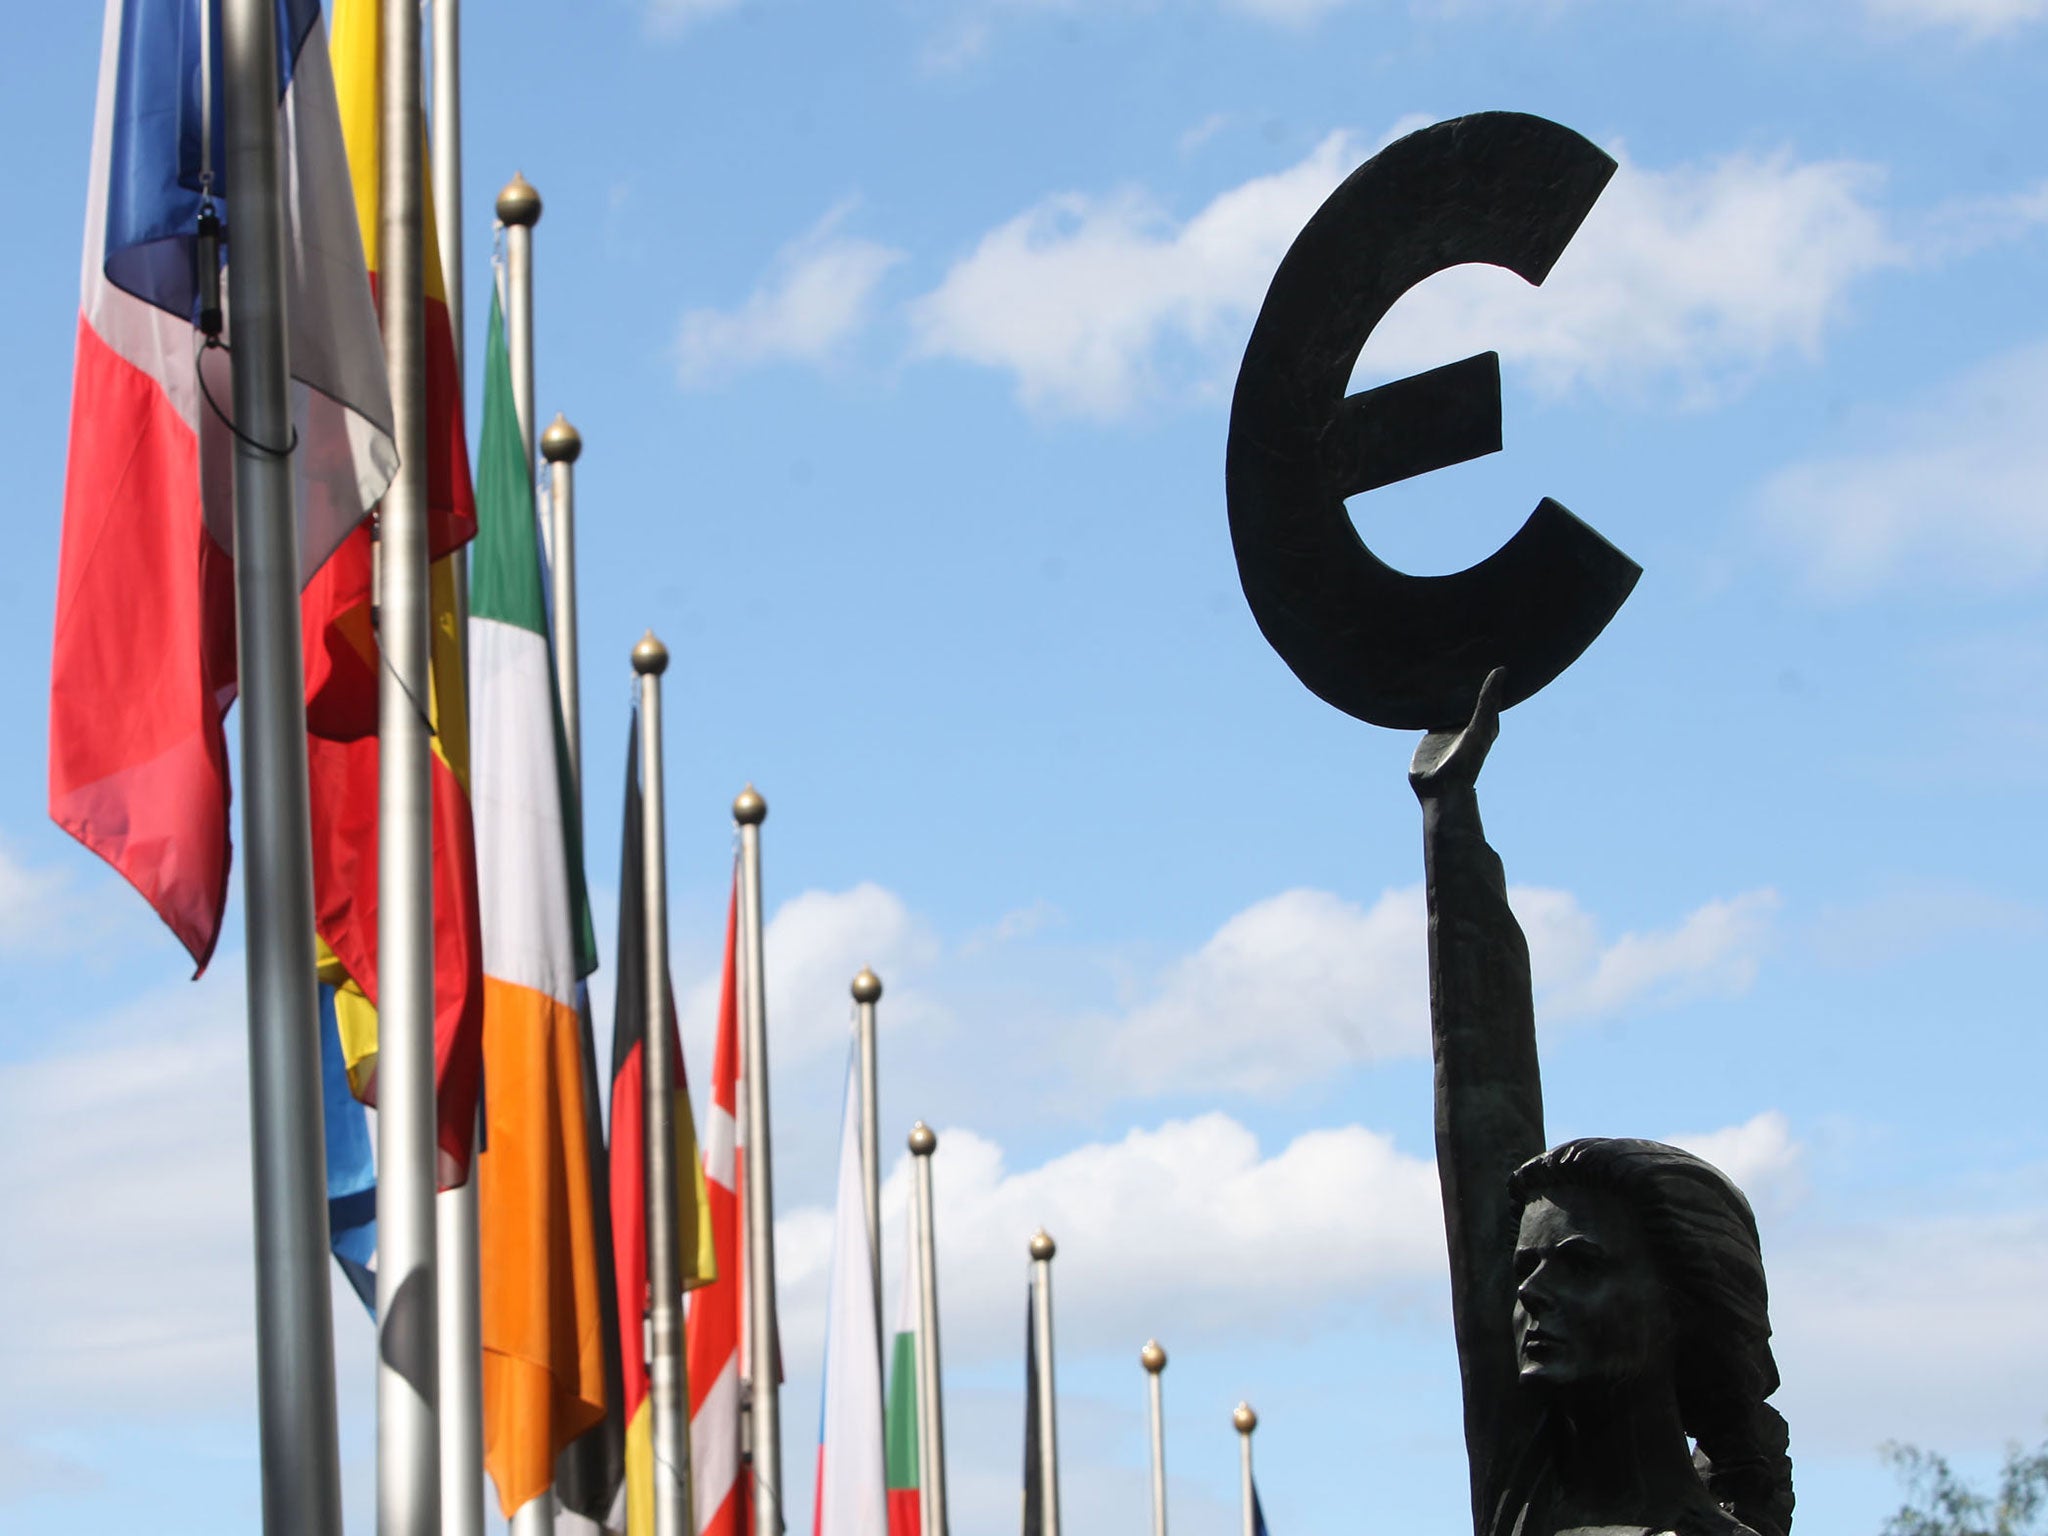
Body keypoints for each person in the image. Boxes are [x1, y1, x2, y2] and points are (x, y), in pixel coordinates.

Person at [1409, 671, 1793, 1536]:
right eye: (1524, 1271)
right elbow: (1480, 1097)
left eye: (1579, 1265)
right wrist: (1449, 816)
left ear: (1682, 1308)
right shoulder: (1531, 1503)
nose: (1532, 1293)